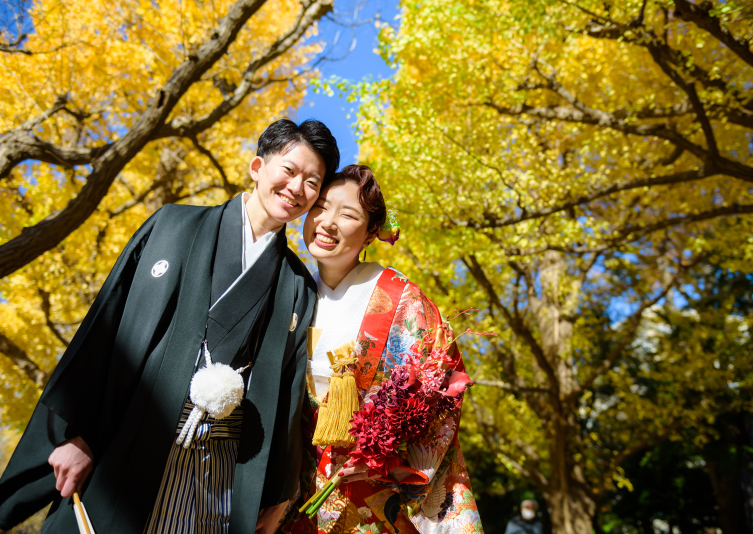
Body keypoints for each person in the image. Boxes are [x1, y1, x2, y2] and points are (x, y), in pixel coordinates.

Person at [0, 119, 340, 534]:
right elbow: (106, 330)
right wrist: (78, 434)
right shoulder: (173, 226)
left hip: (216, 474)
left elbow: (285, 397)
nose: (296, 187)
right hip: (126, 438)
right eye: (289, 170)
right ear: (257, 167)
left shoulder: (296, 285)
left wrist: (277, 493)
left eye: (312, 182)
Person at [280, 165, 482, 534]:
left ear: (373, 232)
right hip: (296, 491)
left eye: (348, 214)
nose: (327, 222)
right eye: (321, 207)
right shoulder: (289, 296)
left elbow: (443, 380)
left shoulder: (400, 297)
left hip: (374, 489)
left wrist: (385, 452)